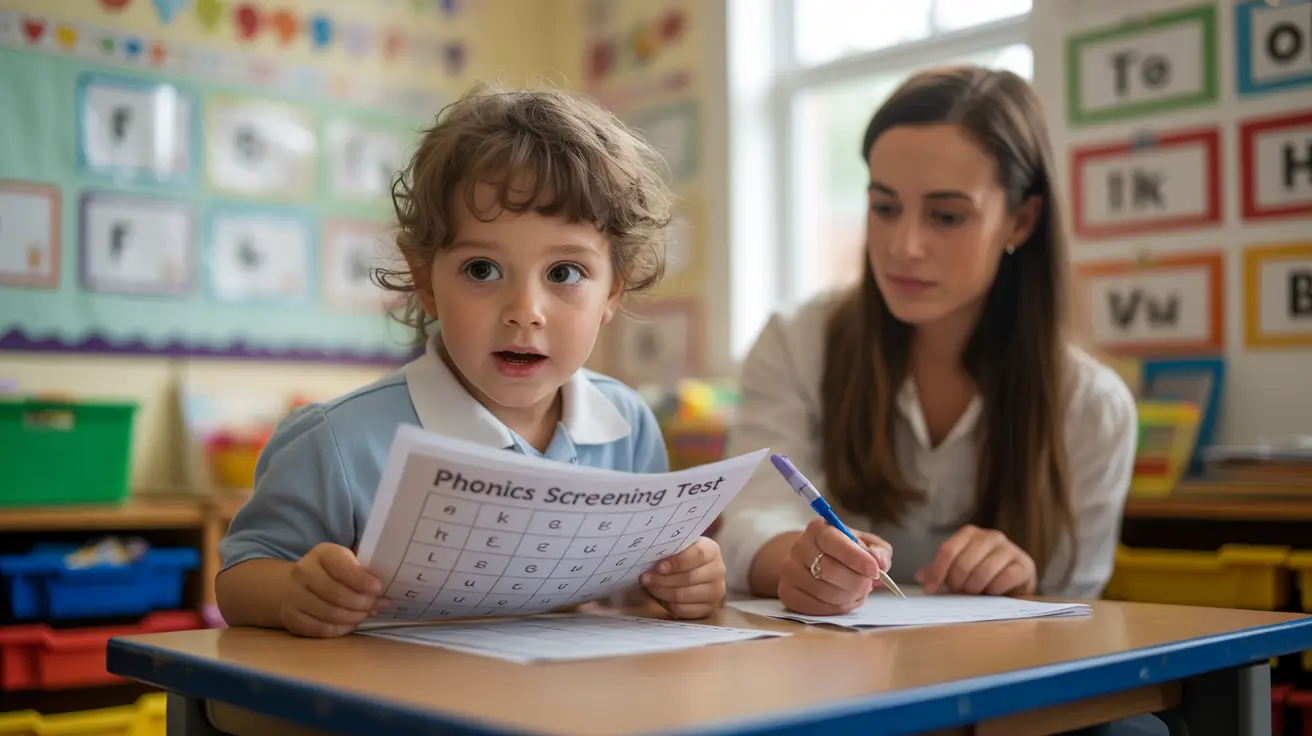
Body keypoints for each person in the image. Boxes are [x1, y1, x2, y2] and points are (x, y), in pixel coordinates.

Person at [715, 66, 1160, 735]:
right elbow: (752, 515)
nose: (903, 245)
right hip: (830, 686)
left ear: (1023, 218)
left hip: (1002, 697)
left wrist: (1024, 580)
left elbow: (1077, 609)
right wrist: (798, 562)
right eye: (884, 206)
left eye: (947, 215)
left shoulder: (1093, 406)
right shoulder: (797, 341)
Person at [216, 84, 727, 638]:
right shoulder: (335, 441)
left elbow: (637, 585)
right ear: (425, 283)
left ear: (612, 293)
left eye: (564, 274)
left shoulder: (627, 427)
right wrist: (292, 592)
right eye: (482, 269)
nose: (524, 312)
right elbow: (239, 580)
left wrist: (685, 580)